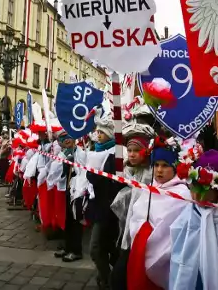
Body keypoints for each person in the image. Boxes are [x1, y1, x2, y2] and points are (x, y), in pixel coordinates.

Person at [170, 148, 218, 290]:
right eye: (194, 187)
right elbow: (179, 238)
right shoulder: (191, 209)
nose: (196, 195)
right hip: (193, 275)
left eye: (204, 188)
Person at [125, 142, 191, 290]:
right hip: (141, 250)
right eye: (156, 165)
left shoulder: (182, 194)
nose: (159, 170)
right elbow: (137, 215)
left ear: (175, 168)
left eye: (165, 165)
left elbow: (176, 229)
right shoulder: (150, 188)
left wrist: (152, 240)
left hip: (166, 258)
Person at [110, 122, 155, 289]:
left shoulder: (151, 175)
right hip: (126, 233)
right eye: (129, 151)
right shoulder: (128, 173)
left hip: (142, 234)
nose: (132, 154)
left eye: (137, 150)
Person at [86, 113, 125, 290]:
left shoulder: (117, 153)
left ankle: (111, 280)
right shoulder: (96, 150)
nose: (99, 135)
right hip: (98, 208)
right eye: (98, 132)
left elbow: (117, 183)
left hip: (112, 210)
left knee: (104, 248)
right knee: (97, 248)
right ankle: (107, 278)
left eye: (103, 132)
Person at [54, 132, 84, 262]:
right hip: (67, 189)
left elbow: (84, 172)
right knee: (68, 220)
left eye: (69, 137)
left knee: (75, 221)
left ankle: (76, 251)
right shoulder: (63, 153)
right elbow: (54, 171)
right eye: (63, 138)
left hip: (77, 192)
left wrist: (75, 166)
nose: (67, 140)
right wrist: (64, 163)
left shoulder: (81, 152)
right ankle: (67, 247)